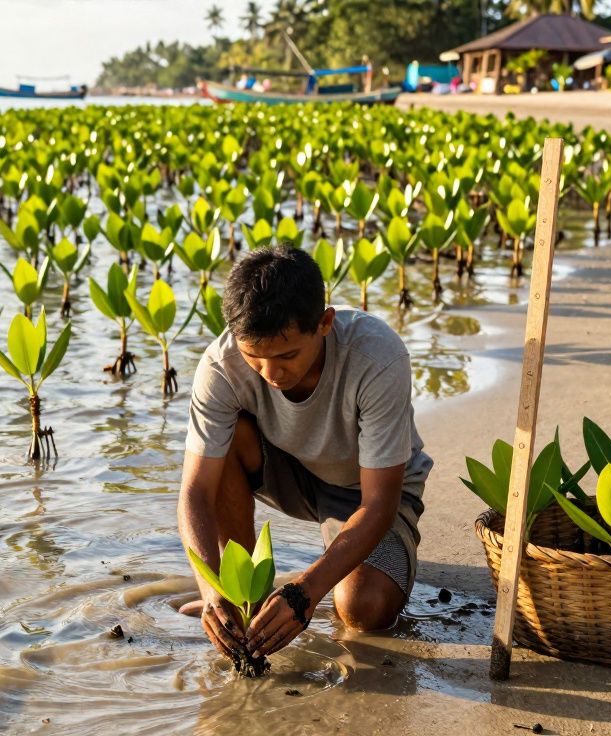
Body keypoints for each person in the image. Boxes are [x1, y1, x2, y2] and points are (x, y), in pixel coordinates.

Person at [177, 246, 432, 662]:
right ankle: (248, 599)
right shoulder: (220, 367)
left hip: (367, 492)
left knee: (364, 610)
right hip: (288, 472)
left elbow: (379, 502)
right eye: (253, 357)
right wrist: (212, 591)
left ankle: (298, 587)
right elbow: (196, 493)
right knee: (222, 447)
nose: (271, 374)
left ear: (325, 323)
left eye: (287, 355)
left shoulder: (377, 357)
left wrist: (305, 593)